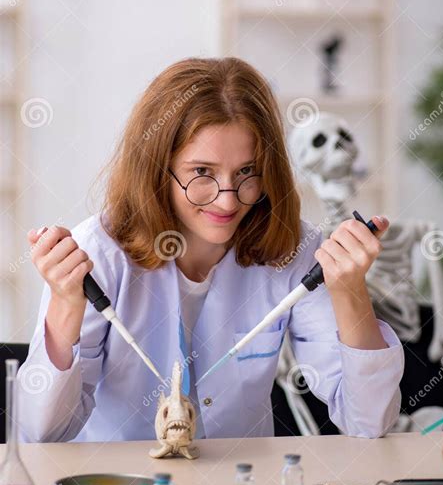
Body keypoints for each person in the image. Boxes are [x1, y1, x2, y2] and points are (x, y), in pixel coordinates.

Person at [18, 57, 404, 443]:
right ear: (157, 168)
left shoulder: (294, 250)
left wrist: (350, 290)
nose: (227, 201)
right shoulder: (98, 255)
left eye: (247, 172)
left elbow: (368, 420)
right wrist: (66, 304)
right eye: (202, 173)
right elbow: (42, 433)